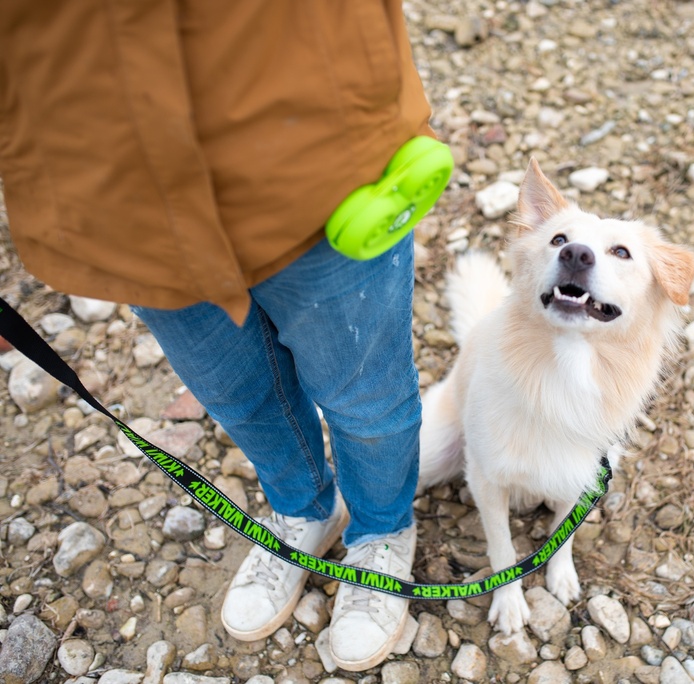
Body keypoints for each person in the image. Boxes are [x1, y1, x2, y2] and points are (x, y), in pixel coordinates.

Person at [0, 1, 431, 672]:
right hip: (114, 190)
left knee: (366, 398)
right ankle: (302, 510)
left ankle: (381, 529)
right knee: (237, 392)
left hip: (315, 145)